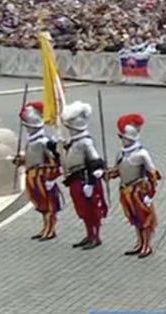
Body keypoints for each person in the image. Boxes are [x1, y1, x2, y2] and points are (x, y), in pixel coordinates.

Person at [108, 113, 159, 258]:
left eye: (125, 138)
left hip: (139, 191)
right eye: (122, 138)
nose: (122, 141)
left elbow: (153, 175)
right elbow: (118, 170)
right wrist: (106, 173)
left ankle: (147, 245)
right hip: (125, 191)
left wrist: (150, 194)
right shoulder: (120, 154)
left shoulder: (142, 154)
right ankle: (139, 242)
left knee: (145, 219)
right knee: (135, 218)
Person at [59, 101, 108, 251]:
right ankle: (89, 234)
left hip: (85, 179)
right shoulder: (72, 141)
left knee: (91, 210)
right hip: (74, 179)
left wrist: (91, 183)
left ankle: (96, 236)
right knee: (82, 210)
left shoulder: (86, 142)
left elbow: (96, 163)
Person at [14, 100, 62, 242]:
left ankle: (51, 229)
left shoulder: (45, 142)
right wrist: (21, 160)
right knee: (40, 205)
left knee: (49, 205)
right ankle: (44, 227)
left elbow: (56, 162)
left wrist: (51, 178)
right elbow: (31, 158)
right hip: (31, 176)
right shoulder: (31, 141)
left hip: (43, 178)